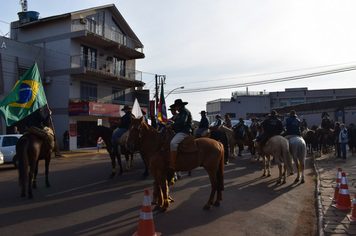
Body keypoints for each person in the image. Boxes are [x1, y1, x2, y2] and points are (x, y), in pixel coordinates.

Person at [165, 99, 193, 172]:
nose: (175, 109)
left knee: (173, 143)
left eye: (175, 107)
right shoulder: (181, 112)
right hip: (179, 131)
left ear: (178, 106)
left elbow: (182, 122)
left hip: (184, 131)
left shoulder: (184, 112)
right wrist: (172, 127)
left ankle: (173, 164)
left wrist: (171, 125)